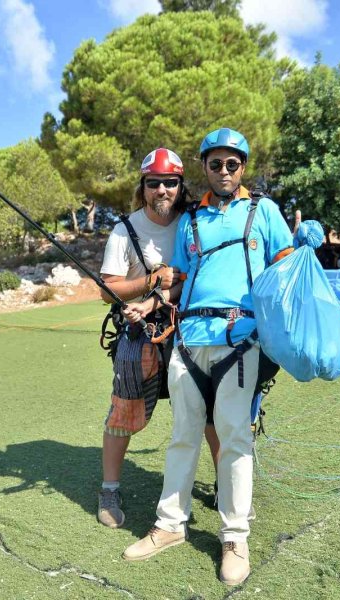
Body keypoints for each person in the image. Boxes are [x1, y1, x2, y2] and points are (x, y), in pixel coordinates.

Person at [121, 128, 295, 586]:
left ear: (243, 166)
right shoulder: (192, 221)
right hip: (187, 340)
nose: (223, 171)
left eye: (232, 163)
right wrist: (151, 302)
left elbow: (286, 270)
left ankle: (235, 537)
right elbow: (180, 280)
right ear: (205, 168)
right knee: (182, 437)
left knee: (235, 440)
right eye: (215, 164)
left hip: (240, 341)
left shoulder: (264, 211)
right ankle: (169, 526)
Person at [96, 148, 220, 529]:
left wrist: (162, 295)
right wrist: (153, 280)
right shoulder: (124, 229)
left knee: (211, 411)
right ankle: (109, 489)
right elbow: (108, 290)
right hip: (139, 335)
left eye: (170, 182)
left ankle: (224, 484)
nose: (162, 190)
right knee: (124, 412)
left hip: (191, 330)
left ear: (180, 185)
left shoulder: (194, 222)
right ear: (143, 187)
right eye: (154, 183)